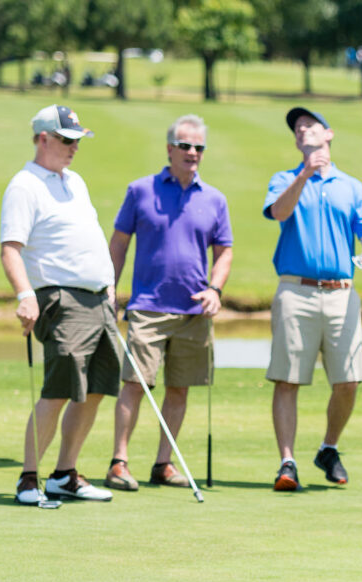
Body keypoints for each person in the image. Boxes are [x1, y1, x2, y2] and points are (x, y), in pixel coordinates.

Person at [105, 114, 234, 491]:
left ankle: (163, 463)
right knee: (135, 383)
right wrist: (111, 290)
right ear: (169, 149)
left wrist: (216, 289)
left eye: (198, 147)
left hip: (194, 309)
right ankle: (119, 462)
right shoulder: (140, 190)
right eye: (185, 146)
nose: (192, 152)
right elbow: (119, 243)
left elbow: (224, 251)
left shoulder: (214, 199)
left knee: (179, 388)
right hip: (147, 305)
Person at [0, 104, 119, 505]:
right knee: (58, 389)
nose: (73, 148)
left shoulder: (75, 181)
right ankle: (28, 479)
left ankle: (65, 474)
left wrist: (110, 289)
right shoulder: (24, 184)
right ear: (42, 139)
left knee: (96, 388)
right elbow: (11, 248)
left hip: (99, 299)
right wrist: (24, 295)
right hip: (61, 299)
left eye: (78, 141)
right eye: (67, 140)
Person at [261, 107, 362, 490]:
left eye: (309, 125)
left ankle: (328, 448)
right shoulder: (285, 178)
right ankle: (287, 463)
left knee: (348, 381)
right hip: (295, 290)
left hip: (341, 294)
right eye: (297, 128)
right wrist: (306, 174)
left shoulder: (352, 186)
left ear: (328, 134)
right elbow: (280, 212)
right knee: (288, 379)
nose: (302, 130)